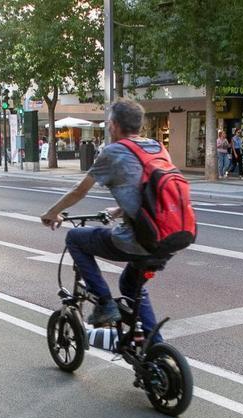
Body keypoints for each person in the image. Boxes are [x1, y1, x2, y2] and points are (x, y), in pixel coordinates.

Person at [39, 99, 183, 339]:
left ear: (114, 125)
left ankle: (105, 303)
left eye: (108, 123)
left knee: (75, 238)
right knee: (131, 287)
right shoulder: (157, 147)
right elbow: (153, 190)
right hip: (168, 238)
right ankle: (155, 351)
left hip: (138, 239)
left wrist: (52, 213)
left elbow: (79, 190)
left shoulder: (113, 151)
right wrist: (121, 209)